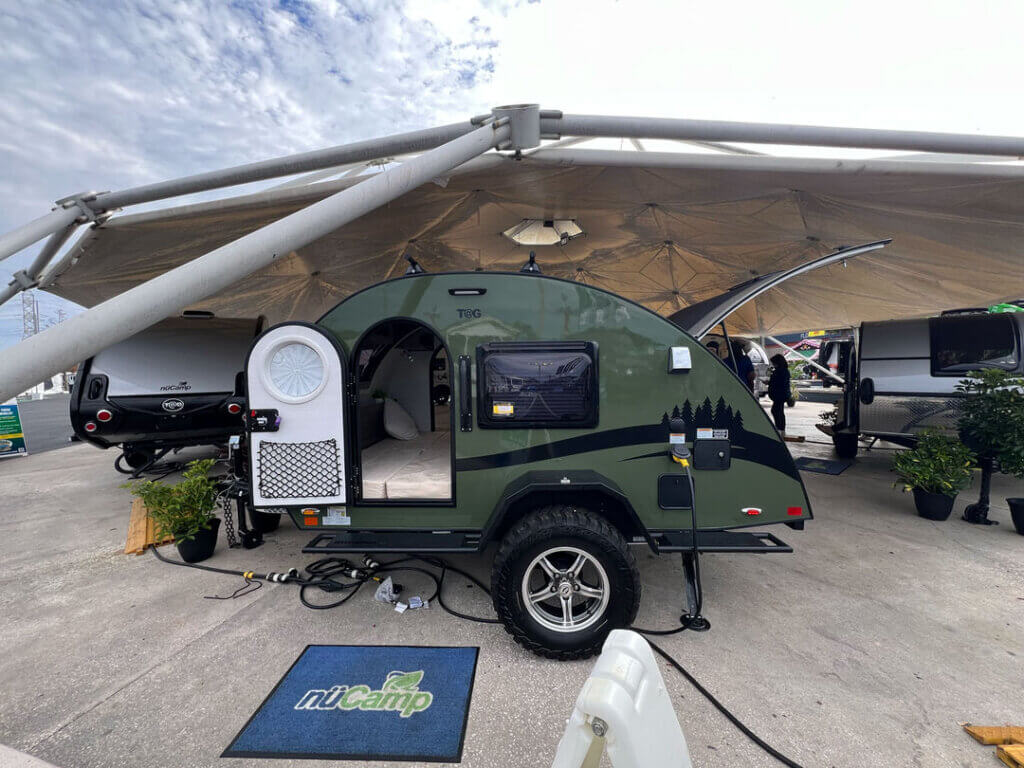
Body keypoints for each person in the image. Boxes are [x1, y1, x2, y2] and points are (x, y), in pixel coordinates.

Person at [768, 353, 790, 436]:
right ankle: (781, 429)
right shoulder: (783, 370)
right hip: (781, 394)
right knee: (779, 411)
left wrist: (770, 382)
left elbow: (779, 382)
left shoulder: (780, 371)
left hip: (780, 395)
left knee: (776, 411)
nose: (773, 364)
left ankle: (779, 429)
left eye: (774, 363)